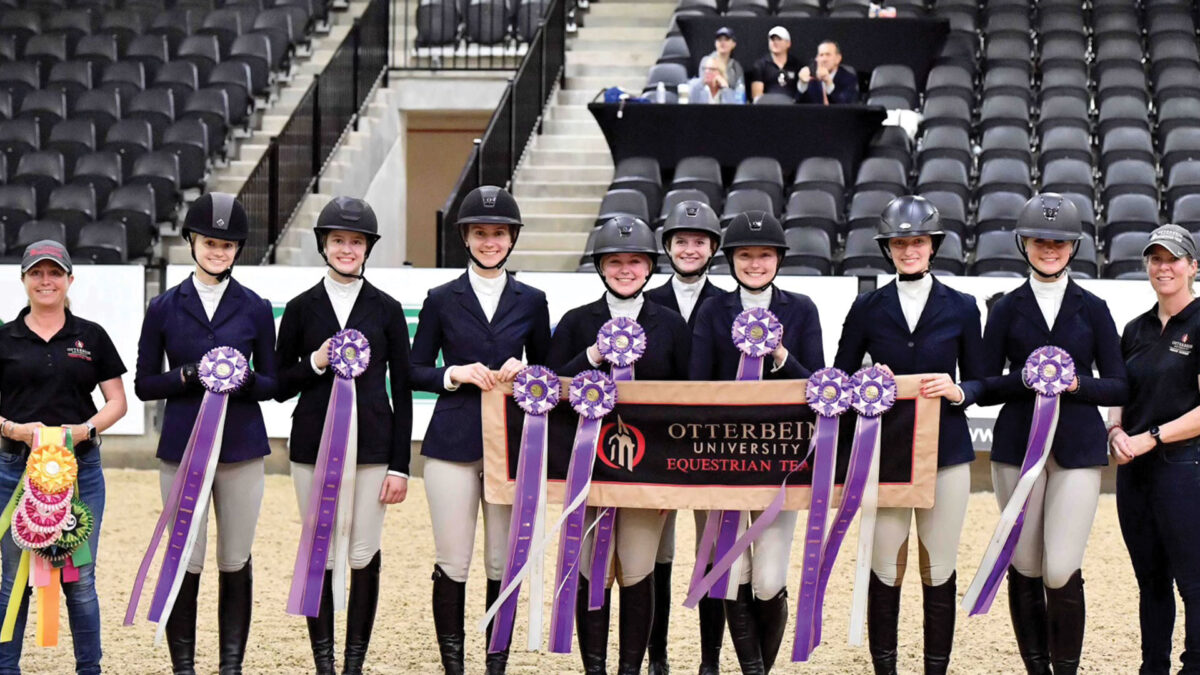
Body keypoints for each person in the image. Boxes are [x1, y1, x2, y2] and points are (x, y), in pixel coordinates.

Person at [832, 196, 984, 675]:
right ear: (888, 249)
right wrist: (864, 381)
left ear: (932, 246)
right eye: (899, 243)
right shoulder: (867, 307)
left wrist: (960, 391)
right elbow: (839, 376)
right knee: (884, 563)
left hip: (947, 452)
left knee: (938, 566)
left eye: (917, 241)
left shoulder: (962, 307)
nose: (909, 250)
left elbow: (981, 378)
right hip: (886, 453)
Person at [978, 193, 1127, 675]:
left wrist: (1075, 383)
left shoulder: (1094, 308)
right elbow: (983, 385)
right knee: (1025, 565)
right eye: (1040, 241)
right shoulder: (1005, 309)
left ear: (1073, 247)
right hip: (1017, 450)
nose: (1050, 249)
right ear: (1024, 244)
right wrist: (1025, 378)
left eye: (1059, 242)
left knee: (1060, 568)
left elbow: (1119, 384)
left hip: (1077, 450)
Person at [134, 193, 278, 675]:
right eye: (211, 243)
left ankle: (230, 666)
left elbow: (273, 384)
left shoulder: (256, 308)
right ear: (192, 241)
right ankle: (184, 667)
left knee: (235, 557)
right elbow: (144, 384)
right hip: (183, 450)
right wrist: (188, 374)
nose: (219, 252)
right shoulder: (163, 307)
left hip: (241, 450)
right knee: (185, 556)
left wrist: (242, 379)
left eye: (228, 245)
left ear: (237, 250)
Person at [409, 185, 551, 675]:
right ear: (466, 238)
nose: (490, 242)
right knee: (453, 559)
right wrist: (454, 373)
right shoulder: (441, 299)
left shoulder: (532, 301)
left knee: (500, 559)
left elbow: (550, 372)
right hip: (452, 441)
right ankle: (454, 665)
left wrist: (527, 371)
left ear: (511, 239)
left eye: (498, 234)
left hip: (510, 443)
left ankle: (496, 664)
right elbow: (413, 370)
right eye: (480, 233)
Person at [547, 215, 691, 675]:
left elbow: (687, 400)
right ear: (600, 267)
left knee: (638, 566)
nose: (625, 270)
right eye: (614, 262)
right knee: (590, 565)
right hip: (588, 467)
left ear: (649, 267)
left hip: (649, 469)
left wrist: (673, 476)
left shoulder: (671, 325)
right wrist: (592, 355)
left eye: (635, 261)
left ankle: (631, 668)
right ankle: (595, 669)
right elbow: (550, 388)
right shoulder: (576, 322)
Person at [274, 197, 412, 675]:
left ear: (367, 248)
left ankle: (354, 662)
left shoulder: (387, 309)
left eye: (356, 242)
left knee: (362, 551)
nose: (347, 249)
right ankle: (324, 663)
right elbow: (278, 385)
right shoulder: (300, 308)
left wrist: (400, 465)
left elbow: (403, 391)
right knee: (321, 547)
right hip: (312, 447)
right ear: (324, 245)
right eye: (338, 240)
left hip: (374, 447)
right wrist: (314, 362)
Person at [690, 211, 823, 675]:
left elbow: (818, 385)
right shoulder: (712, 311)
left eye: (764, 255)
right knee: (731, 572)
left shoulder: (802, 309)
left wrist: (780, 355)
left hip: (780, 458)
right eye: (745, 255)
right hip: (723, 457)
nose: (754, 263)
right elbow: (697, 386)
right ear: (731, 260)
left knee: (768, 580)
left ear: (778, 259)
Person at [0, 241, 127, 675]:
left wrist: (85, 430)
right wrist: (12, 429)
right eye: (36, 273)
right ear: (23, 279)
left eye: (54, 272)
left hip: (80, 471)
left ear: (69, 279)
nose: (46, 281)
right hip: (14, 469)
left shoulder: (91, 336)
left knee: (81, 578)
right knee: (13, 579)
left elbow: (117, 402)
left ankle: (89, 669)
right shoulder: (4, 338)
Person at [1109, 224, 1200, 674]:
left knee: (1194, 582)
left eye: (1173, 259)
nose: (1164, 267)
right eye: (1155, 259)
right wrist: (1115, 432)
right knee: (1151, 582)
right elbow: (1121, 395)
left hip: (1185, 468)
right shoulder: (1135, 329)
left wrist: (1153, 436)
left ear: (1193, 267)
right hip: (1135, 474)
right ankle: (1153, 668)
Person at [644, 199, 725, 675]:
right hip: (658, 444)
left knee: (711, 549)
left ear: (712, 248)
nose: (689, 249)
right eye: (681, 241)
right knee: (659, 550)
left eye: (698, 241)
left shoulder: (730, 305)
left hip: (710, 445)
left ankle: (710, 659)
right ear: (668, 247)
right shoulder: (645, 302)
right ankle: (656, 654)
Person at [748, 26, 803, 103]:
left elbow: (801, 92)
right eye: (772, 39)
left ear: (788, 43)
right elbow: (757, 98)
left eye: (779, 39)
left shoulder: (796, 65)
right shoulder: (760, 65)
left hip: (791, 107)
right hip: (767, 107)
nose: (775, 42)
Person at [797, 40, 859, 105]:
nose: (824, 59)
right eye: (821, 55)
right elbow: (798, 106)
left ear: (838, 59)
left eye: (828, 55)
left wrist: (829, 84)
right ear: (816, 59)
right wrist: (803, 84)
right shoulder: (812, 79)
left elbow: (846, 106)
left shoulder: (849, 78)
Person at [706, 26, 745, 99]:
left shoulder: (736, 67)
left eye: (726, 39)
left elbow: (740, 91)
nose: (722, 42)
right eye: (719, 40)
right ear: (715, 43)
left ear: (733, 44)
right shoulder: (707, 62)